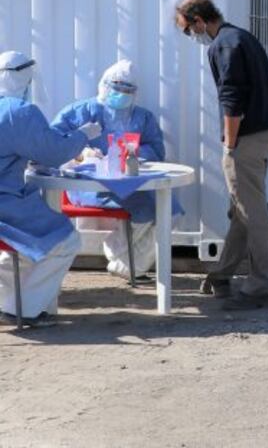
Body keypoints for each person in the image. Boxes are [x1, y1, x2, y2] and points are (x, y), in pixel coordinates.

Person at [174, 0, 268, 310]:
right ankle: (221, 275)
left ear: (199, 20)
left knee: (253, 213)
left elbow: (232, 100)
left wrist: (229, 145)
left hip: (247, 139)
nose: (191, 36)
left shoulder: (223, 45)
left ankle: (260, 285)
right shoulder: (241, 36)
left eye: (188, 30)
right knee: (241, 209)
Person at [0, 51, 102, 327]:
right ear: (26, 78)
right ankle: (21, 310)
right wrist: (83, 135)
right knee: (64, 240)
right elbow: (54, 153)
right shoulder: (18, 112)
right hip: (5, 206)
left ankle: (10, 301)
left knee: (20, 251)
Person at [51, 60, 170, 282]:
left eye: (128, 91)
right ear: (105, 86)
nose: (122, 95)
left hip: (132, 186)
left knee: (166, 209)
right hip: (89, 188)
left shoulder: (143, 117)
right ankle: (125, 263)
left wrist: (132, 152)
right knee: (150, 208)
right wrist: (81, 152)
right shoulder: (82, 111)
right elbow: (54, 142)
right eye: (117, 89)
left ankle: (121, 262)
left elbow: (157, 149)